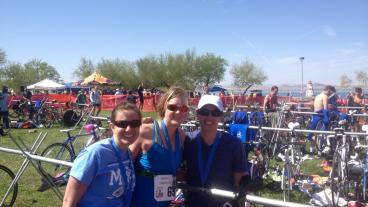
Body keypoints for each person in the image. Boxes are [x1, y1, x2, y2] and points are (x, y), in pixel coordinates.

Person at [63, 103, 141, 207]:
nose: (129, 129)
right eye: (122, 124)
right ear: (112, 126)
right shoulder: (95, 153)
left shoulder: (127, 153)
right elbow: (68, 201)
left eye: (135, 123)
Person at [184, 94, 248, 207]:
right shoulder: (188, 140)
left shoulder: (234, 144)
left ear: (221, 116)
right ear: (197, 114)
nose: (209, 117)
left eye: (215, 113)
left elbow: (240, 183)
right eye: (204, 112)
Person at [130, 87, 189, 207]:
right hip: (141, 201)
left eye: (183, 108)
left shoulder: (182, 136)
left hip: (164, 203)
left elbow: (169, 169)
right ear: (163, 107)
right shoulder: (145, 131)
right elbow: (124, 166)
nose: (178, 112)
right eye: (172, 107)